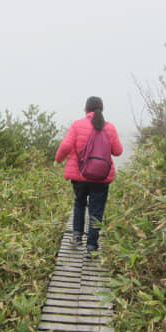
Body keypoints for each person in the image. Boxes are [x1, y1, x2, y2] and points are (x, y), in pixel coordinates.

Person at [55, 96, 123, 257]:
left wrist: (58, 159)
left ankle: (77, 235)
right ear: (101, 109)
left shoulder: (77, 125)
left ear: (86, 109)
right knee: (96, 210)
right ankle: (92, 245)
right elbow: (118, 151)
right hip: (101, 176)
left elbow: (65, 146)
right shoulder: (110, 128)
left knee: (79, 203)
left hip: (79, 175)